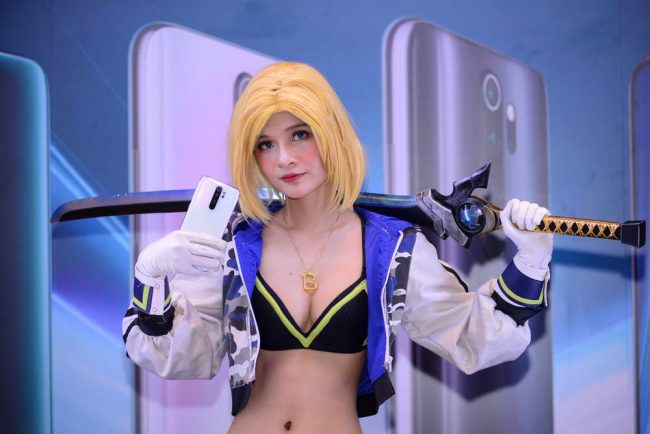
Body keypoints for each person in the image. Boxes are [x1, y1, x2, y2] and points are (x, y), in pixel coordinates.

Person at [122, 62, 553, 433]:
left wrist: (531, 262)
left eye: (300, 134)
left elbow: (472, 334)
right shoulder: (234, 246)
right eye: (265, 144)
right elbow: (178, 354)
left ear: (331, 133)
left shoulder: (392, 251)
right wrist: (149, 279)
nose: (284, 158)